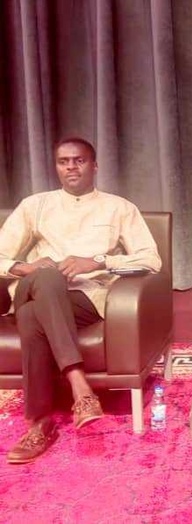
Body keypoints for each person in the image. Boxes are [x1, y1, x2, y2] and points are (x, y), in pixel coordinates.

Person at [0, 137, 162, 464]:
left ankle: (40, 424)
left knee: (31, 316)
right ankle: (80, 387)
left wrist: (98, 261)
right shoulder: (35, 205)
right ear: (56, 167)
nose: (71, 167)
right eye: (64, 161)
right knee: (47, 277)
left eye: (79, 160)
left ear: (94, 166)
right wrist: (26, 267)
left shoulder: (119, 208)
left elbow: (151, 259)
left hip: (85, 297)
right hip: (33, 285)